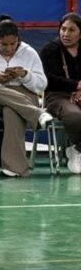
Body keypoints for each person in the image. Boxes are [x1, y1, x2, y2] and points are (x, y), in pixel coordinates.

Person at [0, 18, 52, 178]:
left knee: (11, 110)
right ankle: (38, 114)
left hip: (24, 94)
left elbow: (42, 84)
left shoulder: (29, 53)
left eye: (13, 44)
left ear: (18, 39)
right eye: (4, 44)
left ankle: (15, 169)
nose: (9, 48)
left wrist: (25, 75)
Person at [39, 13, 81, 174]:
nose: (66, 34)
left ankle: (76, 149)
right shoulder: (49, 50)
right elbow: (48, 79)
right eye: (63, 29)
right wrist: (76, 85)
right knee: (75, 115)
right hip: (56, 96)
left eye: (71, 30)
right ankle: (77, 150)